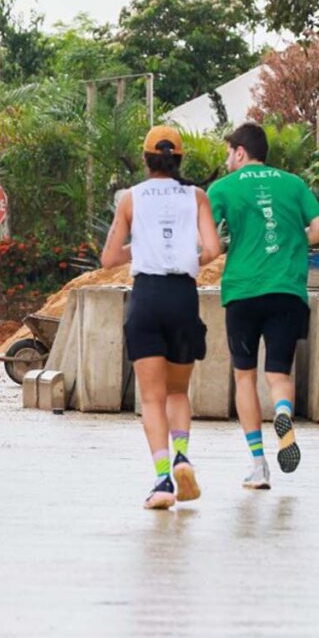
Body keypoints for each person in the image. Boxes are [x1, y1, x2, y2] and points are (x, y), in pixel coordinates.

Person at [101, 125, 221, 510]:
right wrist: (188, 258)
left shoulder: (130, 198)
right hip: (182, 297)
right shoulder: (196, 196)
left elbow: (108, 259)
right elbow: (213, 248)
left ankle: (163, 478)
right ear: (179, 158)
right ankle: (183, 454)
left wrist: (142, 250)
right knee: (177, 391)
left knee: (151, 398)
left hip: (147, 298)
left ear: (146, 159)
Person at [208, 123, 319, 489]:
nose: (228, 159)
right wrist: (295, 238)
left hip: (243, 292)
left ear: (241, 152)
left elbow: (208, 240)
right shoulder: (293, 184)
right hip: (287, 292)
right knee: (279, 375)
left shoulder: (222, 188)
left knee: (244, 376)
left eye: (229, 153)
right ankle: (282, 414)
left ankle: (259, 465)